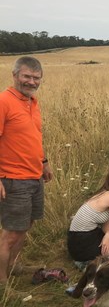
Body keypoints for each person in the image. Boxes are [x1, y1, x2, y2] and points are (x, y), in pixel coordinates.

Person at [0, 56, 54, 284]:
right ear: (14, 76)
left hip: (34, 176)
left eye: (36, 78)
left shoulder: (32, 102)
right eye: (26, 76)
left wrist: (43, 162)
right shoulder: (3, 101)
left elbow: (33, 136)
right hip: (13, 179)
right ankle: (2, 281)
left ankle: (14, 265)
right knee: (11, 233)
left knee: (25, 226)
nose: (31, 82)